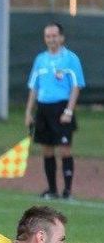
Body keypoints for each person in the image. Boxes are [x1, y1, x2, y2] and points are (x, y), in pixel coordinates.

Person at [25, 22, 85, 200]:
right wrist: (29, 111)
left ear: (61, 37)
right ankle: (52, 189)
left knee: (65, 149)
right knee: (47, 150)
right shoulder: (40, 59)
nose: (51, 39)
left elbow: (76, 86)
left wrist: (69, 111)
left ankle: (67, 191)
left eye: (54, 36)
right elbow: (34, 87)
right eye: (48, 36)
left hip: (62, 108)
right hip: (43, 108)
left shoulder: (71, 58)